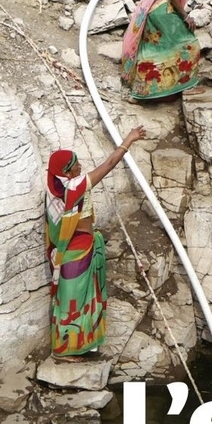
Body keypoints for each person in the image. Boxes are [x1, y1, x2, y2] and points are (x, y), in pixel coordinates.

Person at [45, 126, 146, 360]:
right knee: (72, 301)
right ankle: (62, 350)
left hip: (82, 247)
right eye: (76, 165)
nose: (81, 168)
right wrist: (128, 140)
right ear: (67, 172)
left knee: (83, 298)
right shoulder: (73, 187)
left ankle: (82, 344)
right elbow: (109, 164)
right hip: (74, 252)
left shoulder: (56, 187)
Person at [121, 0, 205, 100]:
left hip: (153, 9)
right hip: (164, 10)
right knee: (189, 44)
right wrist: (185, 16)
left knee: (152, 49)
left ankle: (140, 93)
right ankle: (186, 86)